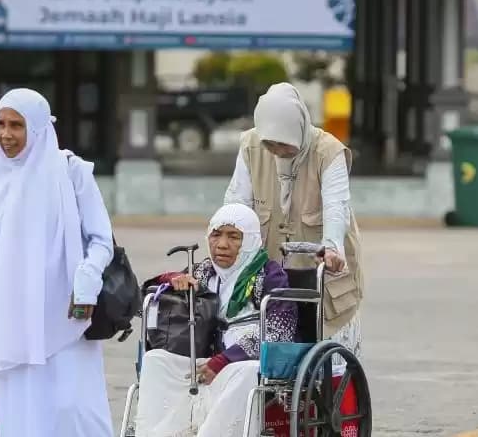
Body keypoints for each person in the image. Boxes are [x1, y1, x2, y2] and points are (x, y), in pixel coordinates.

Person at [0, 88, 113, 436]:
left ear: (38, 128)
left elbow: (101, 239)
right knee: (21, 411)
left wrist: (87, 280)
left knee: (72, 408)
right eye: (0, 124)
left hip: (64, 316)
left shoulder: (71, 171)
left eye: (17, 125)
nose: (6, 134)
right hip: (14, 321)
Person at [223, 82, 363, 358]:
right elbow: (237, 202)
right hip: (273, 266)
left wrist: (333, 249)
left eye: (283, 144)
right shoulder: (251, 145)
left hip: (321, 266)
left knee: (327, 347)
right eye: (270, 144)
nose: (276, 150)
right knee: (272, 342)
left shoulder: (328, 151)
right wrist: (228, 239)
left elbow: (337, 206)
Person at [134, 203, 297, 437]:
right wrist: (171, 279)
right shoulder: (203, 271)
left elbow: (279, 332)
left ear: (250, 239)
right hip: (205, 356)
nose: (222, 244)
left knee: (245, 372)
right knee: (155, 359)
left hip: (244, 361)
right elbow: (143, 301)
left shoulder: (269, 275)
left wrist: (225, 360)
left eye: (234, 237)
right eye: (216, 234)